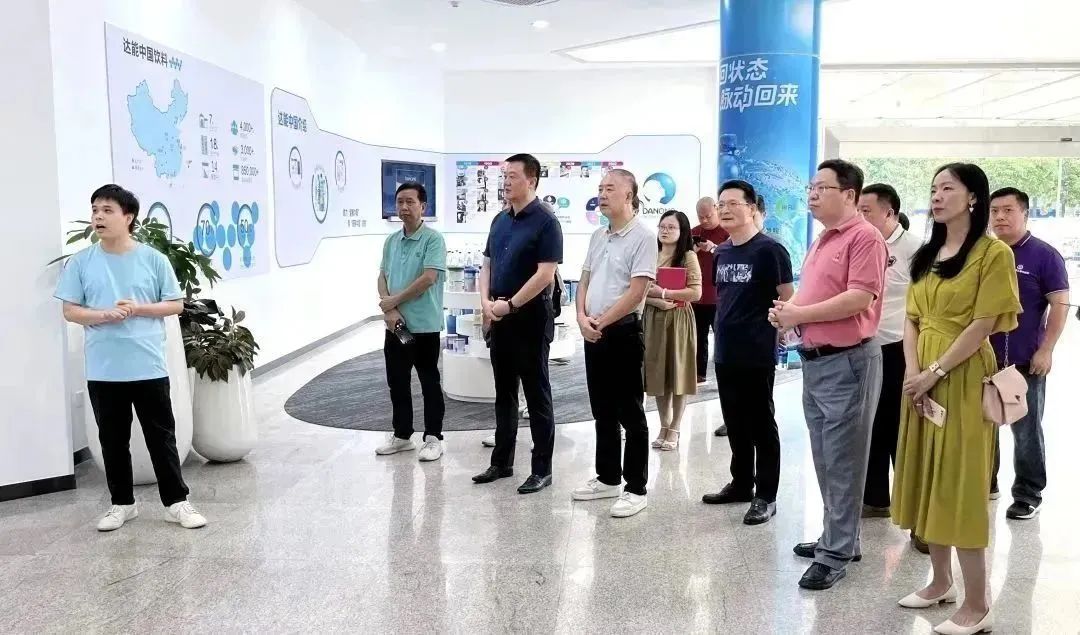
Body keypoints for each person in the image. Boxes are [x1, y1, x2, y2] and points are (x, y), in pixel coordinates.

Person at [891, 163, 1019, 635]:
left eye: (948, 187)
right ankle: (940, 581)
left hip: (961, 377)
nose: (937, 195)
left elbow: (983, 324)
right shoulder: (927, 253)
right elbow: (911, 319)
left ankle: (979, 603)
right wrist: (913, 372)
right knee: (927, 474)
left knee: (959, 483)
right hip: (920, 376)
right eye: (933, 188)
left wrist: (935, 372)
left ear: (973, 198)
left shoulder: (992, 253)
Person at [55, 184, 207, 532]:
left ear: (128, 216)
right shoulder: (81, 262)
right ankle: (122, 504)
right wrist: (103, 315)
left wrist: (137, 309)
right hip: (104, 369)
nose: (98, 217)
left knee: (161, 436)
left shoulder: (154, 259)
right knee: (112, 440)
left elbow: (175, 305)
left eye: (107, 210)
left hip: (148, 364)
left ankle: (176, 502)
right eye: (95, 210)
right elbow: (70, 311)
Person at [768, 159, 887, 591]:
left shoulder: (865, 237)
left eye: (822, 187)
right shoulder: (823, 238)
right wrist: (789, 313)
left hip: (848, 362)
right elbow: (813, 293)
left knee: (844, 461)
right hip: (816, 361)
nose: (812, 194)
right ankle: (840, 539)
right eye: (811, 187)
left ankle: (835, 553)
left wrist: (799, 313)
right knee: (825, 456)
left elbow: (859, 298)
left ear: (850, 195)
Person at [701, 180, 793, 526]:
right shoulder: (722, 252)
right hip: (726, 348)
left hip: (756, 349)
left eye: (733, 203)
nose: (724, 209)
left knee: (760, 424)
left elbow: (788, 296)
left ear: (752, 209)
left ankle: (766, 495)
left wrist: (781, 329)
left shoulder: (770, 250)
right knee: (735, 422)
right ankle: (741, 483)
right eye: (721, 204)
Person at [473, 153, 563, 494]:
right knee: (504, 391)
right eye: (504, 176)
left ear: (532, 180)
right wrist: (486, 304)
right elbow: (487, 265)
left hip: (530, 316)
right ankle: (502, 462)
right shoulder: (500, 219)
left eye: (512, 176)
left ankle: (542, 469)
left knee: (537, 393)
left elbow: (545, 274)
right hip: (499, 314)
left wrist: (509, 305)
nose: (506, 181)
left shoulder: (546, 221)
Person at [571, 169, 658, 518]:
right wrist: (581, 317)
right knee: (602, 410)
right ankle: (607, 477)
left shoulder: (643, 237)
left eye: (610, 189)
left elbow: (637, 291)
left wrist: (601, 322)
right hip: (593, 331)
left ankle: (636, 487)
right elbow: (584, 280)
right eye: (600, 189)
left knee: (630, 412)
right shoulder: (598, 235)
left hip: (622, 332)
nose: (602, 195)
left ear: (629, 196)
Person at [988, 187, 1070, 520]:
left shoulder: (1043, 255)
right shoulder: (983, 252)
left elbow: (1060, 304)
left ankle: (1028, 493)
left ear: (1025, 213)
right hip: (982, 357)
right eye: (994, 211)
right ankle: (985, 483)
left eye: (1008, 210)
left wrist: (1046, 349)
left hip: (1024, 360)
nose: (1000, 217)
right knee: (982, 425)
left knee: (1026, 430)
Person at [857, 184, 923, 520]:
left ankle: (913, 509)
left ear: (890, 212)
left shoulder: (916, 249)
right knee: (869, 423)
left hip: (900, 348)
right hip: (864, 346)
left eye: (866, 210)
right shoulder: (859, 244)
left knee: (899, 425)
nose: (860, 216)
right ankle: (875, 498)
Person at [375, 182, 447, 462]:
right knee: (397, 381)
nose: (404, 207)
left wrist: (395, 300)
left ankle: (433, 438)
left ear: (423, 206)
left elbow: (429, 278)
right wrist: (390, 309)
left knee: (429, 381)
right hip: (397, 326)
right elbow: (382, 275)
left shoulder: (433, 239)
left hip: (424, 325)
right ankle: (402, 435)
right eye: (400, 202)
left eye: (410, 202)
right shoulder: (391, 241)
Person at [645, 210, 702, 451]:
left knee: (679, 372)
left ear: (682, 231)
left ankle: (675, 427)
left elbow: (695, 292)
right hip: (653, 317)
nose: (665, 231)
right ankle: (664, 425)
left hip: (679, 319)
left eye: (671, 227)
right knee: (658, 374)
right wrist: (656, 300)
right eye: (662, 226)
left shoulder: (687, 256)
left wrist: (665, 293)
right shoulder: (650, 253)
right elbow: (636, 288)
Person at [690, 196, 730, 384]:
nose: (705, 220)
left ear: (716, 209)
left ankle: (726, 375)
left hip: (719, 297)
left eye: (708, 216)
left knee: (723, 338)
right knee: (698, 337)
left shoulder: (727, 232)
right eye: (701, 217)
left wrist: (714, 248)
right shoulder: (693, 232)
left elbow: (732, 256)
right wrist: (691, 251)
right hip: (697, 296)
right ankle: (699, 374)